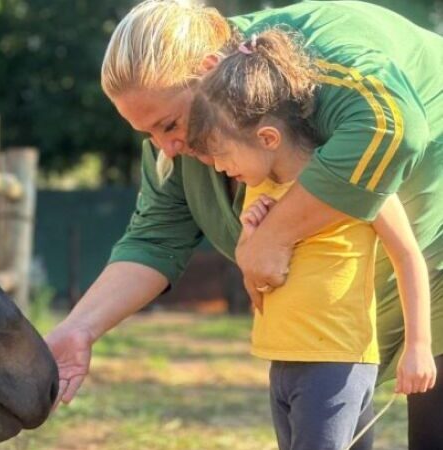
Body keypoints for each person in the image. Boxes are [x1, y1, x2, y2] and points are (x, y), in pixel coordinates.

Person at [45, 1, 443, 448]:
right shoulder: (180, 145)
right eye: (148, 134)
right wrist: (79, 328)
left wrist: (270, 238)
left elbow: (394, 129)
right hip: (326, 332)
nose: (166, 148)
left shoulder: (313, 62)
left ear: (210, 70)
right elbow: (154, 240)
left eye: (168, 124)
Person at [185, 28, 436, 449]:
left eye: (223, 154)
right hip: (283, 363)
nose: (219, 167)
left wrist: (419, 345)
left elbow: (408, 255)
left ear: (267, 138)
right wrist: (251, 232)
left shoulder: (355, 181)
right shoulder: (259, 188)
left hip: (336, 363)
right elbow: (257, 277)